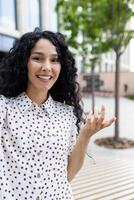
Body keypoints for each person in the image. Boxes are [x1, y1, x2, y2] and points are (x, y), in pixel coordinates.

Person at [0, 28, 116, 200]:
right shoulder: (5, 108)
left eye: (54, 60)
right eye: (37, 58)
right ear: (24, 62)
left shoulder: (67, 114)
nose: (47, 67)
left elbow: (67, 176)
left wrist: (85, 134)